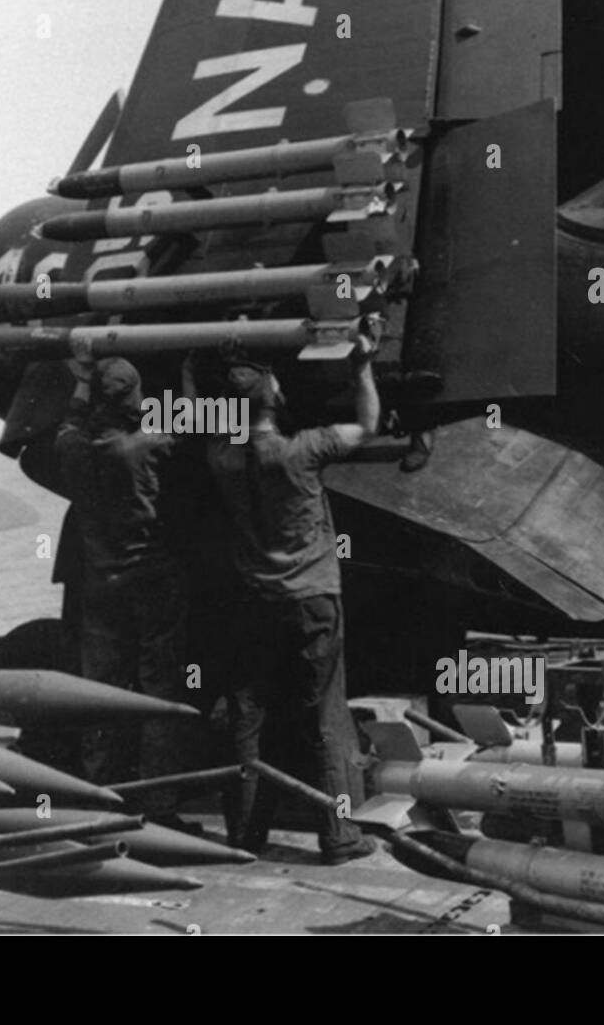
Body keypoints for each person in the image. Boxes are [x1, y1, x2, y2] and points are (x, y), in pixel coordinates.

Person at [206, 325, 382, 864]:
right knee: (324, 715)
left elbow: (204, 419)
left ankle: (244, 836)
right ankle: (339, 835)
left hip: (254, 603)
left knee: (248, 714)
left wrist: (199, 374)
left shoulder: (221, 457)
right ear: (274, 398)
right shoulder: (305, 450)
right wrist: (362, 366)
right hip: (312, 600)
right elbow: (370, 425)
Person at [54, 354, 193, 827]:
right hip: (151, 581)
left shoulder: (72, 448)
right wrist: (190, 369)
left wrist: (81, 381)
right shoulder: (146, 444)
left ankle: (102, 799)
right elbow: (191, 416)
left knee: (103, 692)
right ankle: (160, 807)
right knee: (159, 691)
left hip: (100, 585)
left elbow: (70, 421)